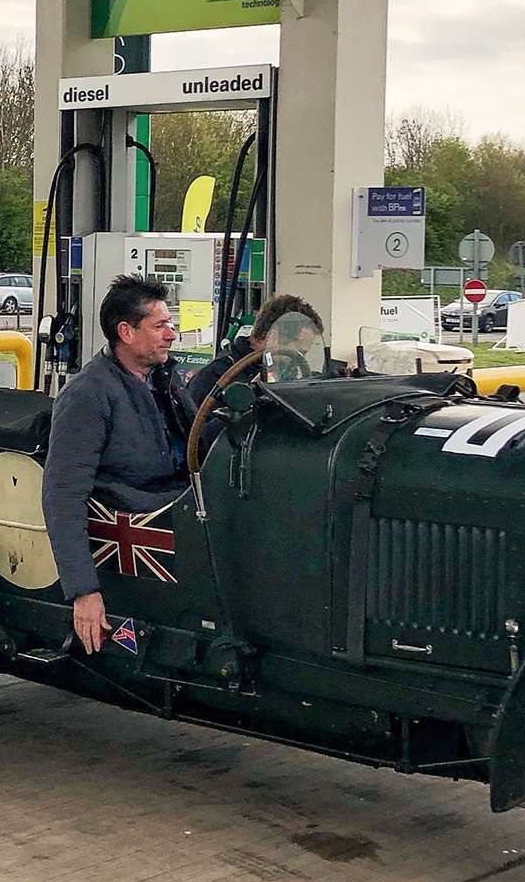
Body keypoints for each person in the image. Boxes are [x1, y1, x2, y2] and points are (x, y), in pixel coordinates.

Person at [44, 275, 196, 654]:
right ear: (126, 332)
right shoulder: (88, 395)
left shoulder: (165, 381)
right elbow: (62, 495)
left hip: (185, 507)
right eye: (160, 325)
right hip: (147, 518)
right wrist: (84, 591)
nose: (172, 334)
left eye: (170, 324)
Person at [186, 292, 326, 404]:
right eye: (299, 353)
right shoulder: (213, 378)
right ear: (273, 337)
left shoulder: (285, 374)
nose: (300, 361)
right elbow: (199, 434)